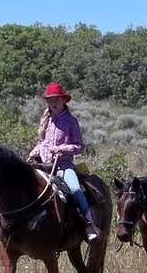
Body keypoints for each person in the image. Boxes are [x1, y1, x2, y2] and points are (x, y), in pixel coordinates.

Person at [26, 82, 99, 242]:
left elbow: (79, 146)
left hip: (62, 166)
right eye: (50, 100)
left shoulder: (71, 121)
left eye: (56, 100)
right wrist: (35, 151)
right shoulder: (46, 121)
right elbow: (42, 142)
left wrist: (62, 149)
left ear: (63, 101)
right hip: (43, 166)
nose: (53, 103)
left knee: (74, 189)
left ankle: (89, 224)